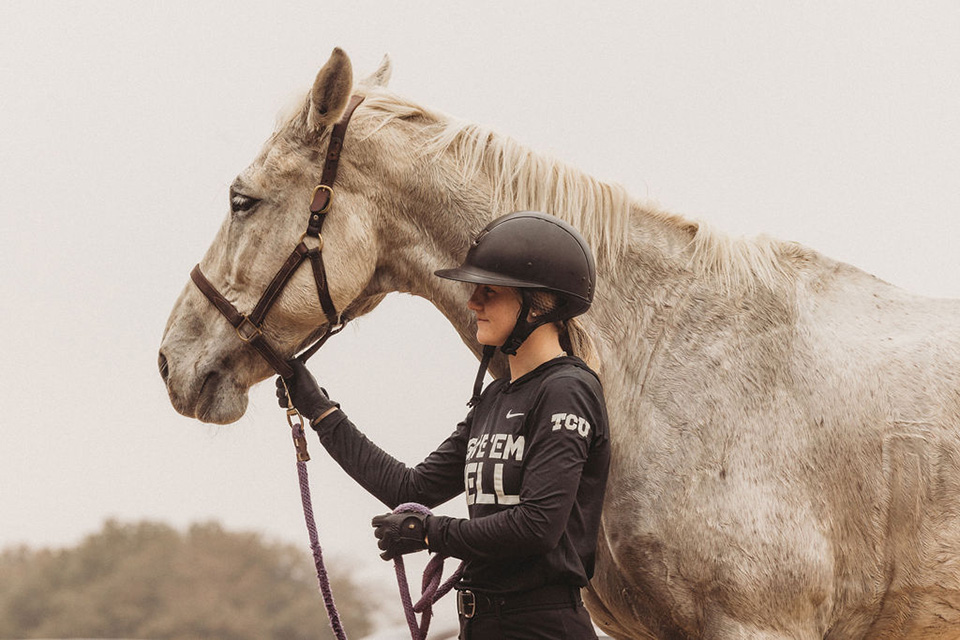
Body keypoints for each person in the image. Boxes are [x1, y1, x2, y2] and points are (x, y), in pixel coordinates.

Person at [277, 211, 610, 639]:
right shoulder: (495, 397)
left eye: (489, 292)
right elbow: (412, 490)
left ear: (539, 303)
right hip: (482, 623)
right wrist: (320, 410)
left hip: (540, 625)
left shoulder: (567, 390)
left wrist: (428, 532)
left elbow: (537, 527)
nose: (473, 302)